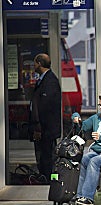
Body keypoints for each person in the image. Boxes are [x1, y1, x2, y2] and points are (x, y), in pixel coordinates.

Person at [28, 53, 62, 181]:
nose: (34, 66)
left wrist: (38, 126)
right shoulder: (43, 80)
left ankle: (48, 179)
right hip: (42, 127)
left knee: (47, 155)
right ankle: (44, 176)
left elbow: (46, 107)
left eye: (35, 63)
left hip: (46, 128)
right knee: (42, 155)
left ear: (40, 64)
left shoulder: (50, 81)